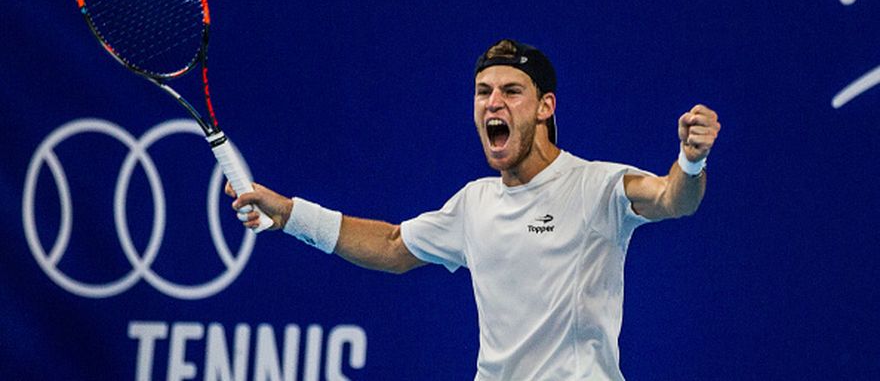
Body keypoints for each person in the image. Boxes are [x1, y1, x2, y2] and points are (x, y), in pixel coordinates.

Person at [228, 39, 721, 380]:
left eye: (511, 91)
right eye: (484, 92)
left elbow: (672, 199)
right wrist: (289, 214)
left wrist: (690, 162)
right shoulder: (474, 203)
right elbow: (392, 246)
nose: (493, 103)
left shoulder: (596, 186)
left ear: (545, 106)